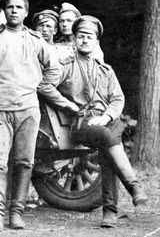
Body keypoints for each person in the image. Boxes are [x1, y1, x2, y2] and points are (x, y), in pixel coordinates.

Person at [38, 16, 148, 228]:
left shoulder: (105, 70)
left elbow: (118, 99)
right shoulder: (65, 66)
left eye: (89, 37)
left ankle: (110, 212)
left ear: (97, 41)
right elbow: (44, 86)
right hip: (81, 123)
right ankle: (132, 188)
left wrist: (106, 116)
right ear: (74, 40)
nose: (85, 40)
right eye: (80, 36)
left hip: (106, 121)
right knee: (108, 137)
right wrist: (68, 105)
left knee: (108, 146)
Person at [0, 0, 59, 231]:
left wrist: (37, 86)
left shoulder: (35, 40)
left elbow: (54, 69)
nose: (14, 10)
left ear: (26, 12)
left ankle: (16, 213)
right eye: (10, 6)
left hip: (28, 110)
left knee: (24, 161)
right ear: (5, 11)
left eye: (19, 7)